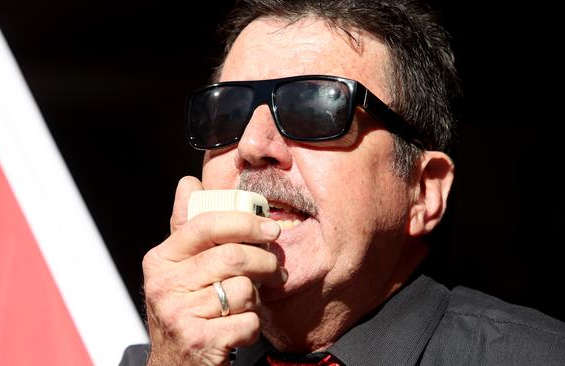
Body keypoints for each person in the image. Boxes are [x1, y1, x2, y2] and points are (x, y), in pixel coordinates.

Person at [120, 0, 565, 365]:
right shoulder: (162, 359)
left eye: (315, 109)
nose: (253, 145)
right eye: (227, 113)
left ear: (424, 191)